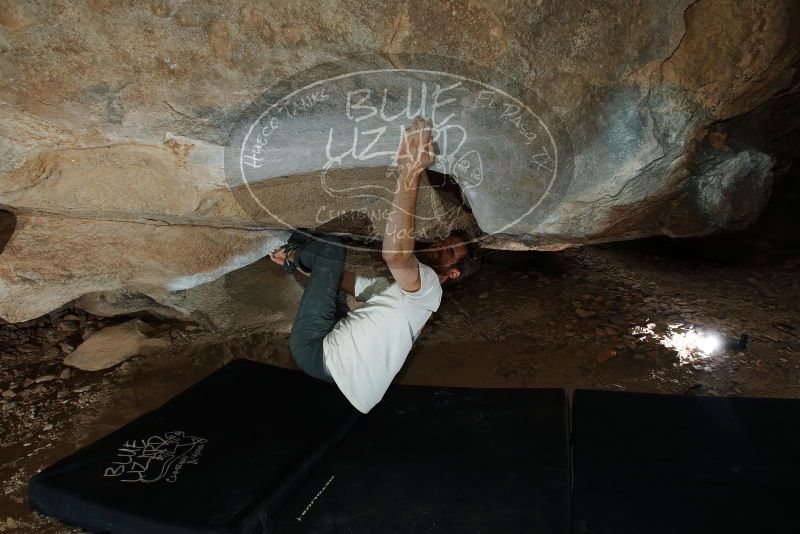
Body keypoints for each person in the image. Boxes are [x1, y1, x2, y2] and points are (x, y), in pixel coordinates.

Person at [269, 117, 478, 413]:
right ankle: (290, 253)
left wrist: (411, 171)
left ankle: (293, 248)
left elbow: (394, 255)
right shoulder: (397, 294)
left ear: (453, 272)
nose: (442, 243)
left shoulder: (430, 286)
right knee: (328, 256)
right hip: (339, 368)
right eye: (446, 238)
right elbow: (338, 280)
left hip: (317, 348)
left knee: (331, 247)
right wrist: (303, 265)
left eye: (451, 249)